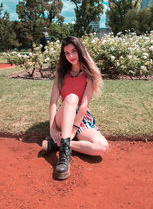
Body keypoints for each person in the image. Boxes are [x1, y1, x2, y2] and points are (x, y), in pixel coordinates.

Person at [42, 36, 109, 180]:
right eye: (67, 53)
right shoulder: (61, 73)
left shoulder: (89, 75)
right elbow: (53, 101)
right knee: (72, 98)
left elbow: (84, 105)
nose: (71, 56)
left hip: (81, 116)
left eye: (73, 51)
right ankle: (64, 158)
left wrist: (74, 129)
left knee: (101, 146)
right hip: (65, 113)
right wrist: (52, 127)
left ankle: (60, 144)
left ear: (80, 51)